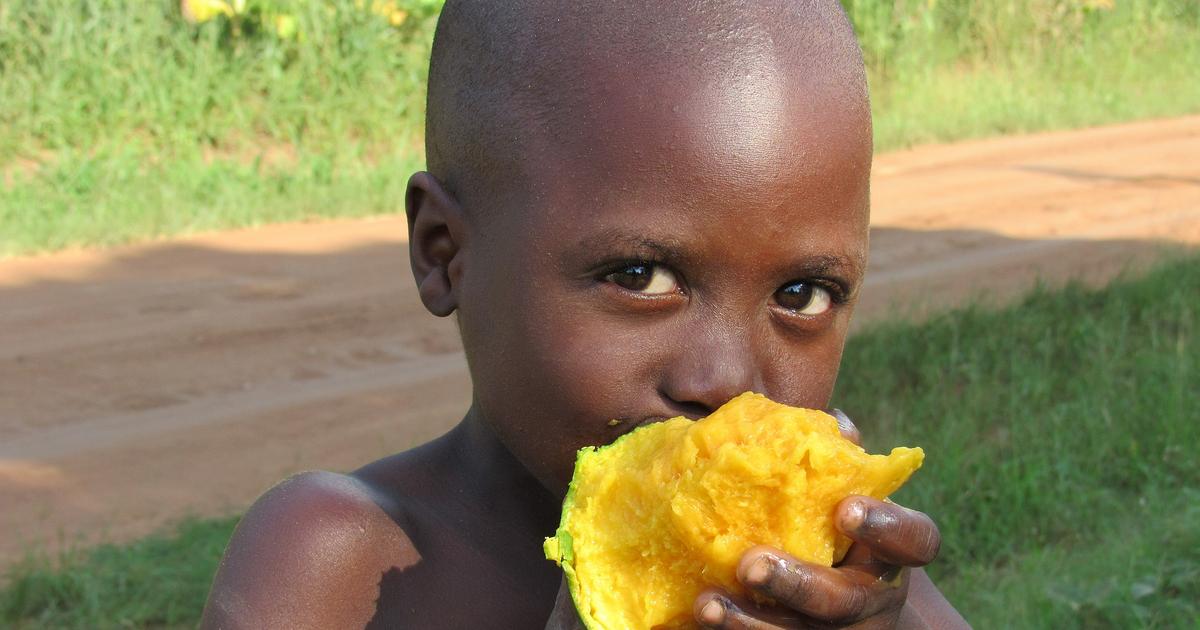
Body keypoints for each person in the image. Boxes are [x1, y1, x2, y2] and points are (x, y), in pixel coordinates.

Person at [202, 1, 969, 627]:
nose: (728, 380)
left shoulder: (844, 577)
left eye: (801, 295)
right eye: (641, 276)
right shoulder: (334, 566)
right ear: (445, 253)